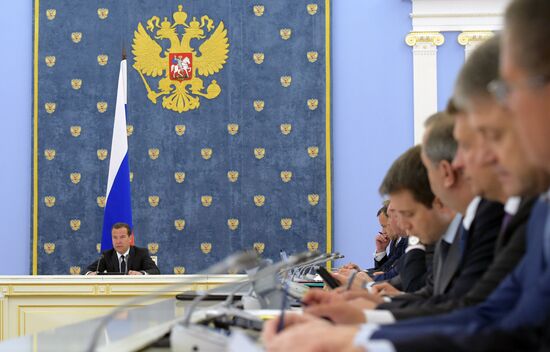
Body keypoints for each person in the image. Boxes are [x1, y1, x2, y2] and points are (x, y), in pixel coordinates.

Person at [86, 222, 160, 275]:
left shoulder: (141, 253)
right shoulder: (107, 255)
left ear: (130, 238)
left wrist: (141, 273)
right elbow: (86, 271)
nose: (118, 241)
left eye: (122, 237)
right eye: (115, 237)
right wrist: (90, 274)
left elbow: (155, 271)